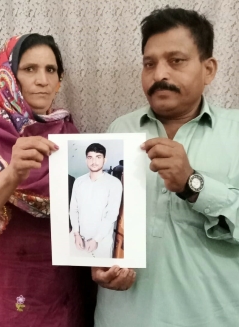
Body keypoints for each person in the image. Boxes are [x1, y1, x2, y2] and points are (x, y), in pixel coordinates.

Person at [92, 7, 239, 327]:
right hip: (124, 318)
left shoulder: (237, 132)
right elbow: (102, 221)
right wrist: (99, 263)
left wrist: (193, 183)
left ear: (209, 68)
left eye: (176, 61)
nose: (159, 74)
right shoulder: (119, 130)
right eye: (149, 63)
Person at [0, 33, 95, 327]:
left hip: (58, 292)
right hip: (1, 291)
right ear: (8, 77)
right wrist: (11, 175)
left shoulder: (71, 138)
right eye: (29, 69)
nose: (42, 80)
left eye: (51, 70)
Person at [69, 143, 123, 258]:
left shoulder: (114, 183)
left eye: (98, 157)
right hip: (78, 239)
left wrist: (96, 239)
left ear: (104, 159)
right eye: (90, 157)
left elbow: (111, 215)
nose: (94, 161)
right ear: (86, 160)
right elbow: (74, 209)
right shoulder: (79, 181)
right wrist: (76, 233)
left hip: (101, 242)